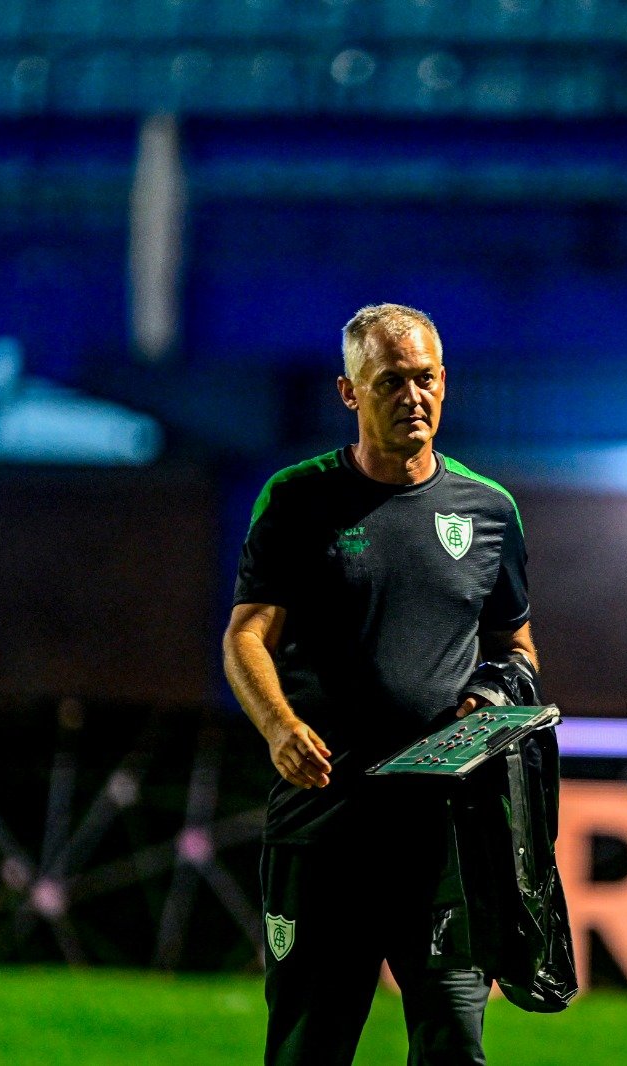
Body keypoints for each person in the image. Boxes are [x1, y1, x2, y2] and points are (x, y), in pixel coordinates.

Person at [223, 303, 538, 1065]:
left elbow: (517, 647)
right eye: (390, 381)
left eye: (426, 378)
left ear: (444, 382)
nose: (413, 396)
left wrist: (497, 698)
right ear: (349, 392)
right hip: (323, 828)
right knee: (308, 1051)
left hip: (444, 838)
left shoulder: (488, 511)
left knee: (455, 1050)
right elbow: (245, 636)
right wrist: (278, 726)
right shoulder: (297, 500)